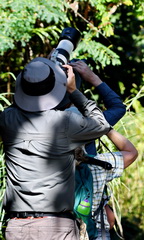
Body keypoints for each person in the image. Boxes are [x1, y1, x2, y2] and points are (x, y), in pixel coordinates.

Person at [0, 57, 111, 240]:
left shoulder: (7, 119)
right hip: (55, 227)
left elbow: (17, 107)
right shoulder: (64, 122)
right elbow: (102, 124)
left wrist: (32, 83)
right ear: (56, 87)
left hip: (16, 227)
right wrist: (73, 91)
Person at [67, 60, 127, 240]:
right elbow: (118, 107)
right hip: (90, 210)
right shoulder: (89, 124)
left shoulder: (40, 122)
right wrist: (92, 77)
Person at [75, 126, 138, 240]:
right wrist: (106, 129)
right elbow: (131, 152)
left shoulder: (48, 165)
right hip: (94, 231)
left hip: (63, 230)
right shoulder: (99, 164)